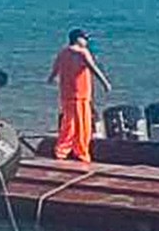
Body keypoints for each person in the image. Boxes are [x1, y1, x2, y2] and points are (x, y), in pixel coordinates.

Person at [47, 28, 111, 163]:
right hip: (80, 94)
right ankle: (81, 152)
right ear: (78, 39)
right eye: (85, 39)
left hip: (66, 93)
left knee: (67, 123)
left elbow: (56, 69)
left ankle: (62, 150)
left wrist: (51, 79)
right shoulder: (82, 52)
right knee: (82, 124)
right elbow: (93, 68)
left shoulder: (63, 52)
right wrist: (105, 83)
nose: (86, 42)